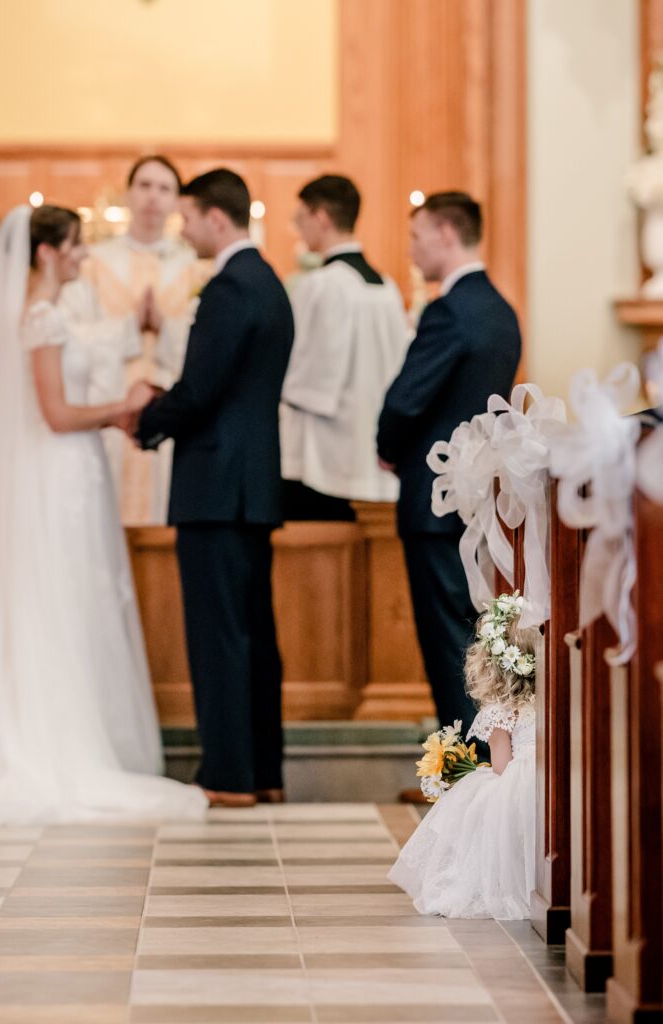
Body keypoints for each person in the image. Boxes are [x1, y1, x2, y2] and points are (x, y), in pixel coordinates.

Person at [0, 204, 207, 824]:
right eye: (77, 245)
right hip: (56, 472)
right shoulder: (41, 315)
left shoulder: (40, 315)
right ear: (48, 253)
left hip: (70, 473)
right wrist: (121, 407)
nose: (84, 254)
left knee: (74, 596)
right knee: (58, 596)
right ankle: (57, 741)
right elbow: (55, 414)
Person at [131, 169, 294, 808]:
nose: (183, 226)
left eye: (190, 216)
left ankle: (227, 776)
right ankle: (263, 771)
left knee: (219, 633)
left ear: (217, 219)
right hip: (251, 486)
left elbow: (200, 389)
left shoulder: (229, 287)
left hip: (214, 486)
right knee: (253, 631)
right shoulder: (271, 283)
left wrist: (144, 420)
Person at [377, 192, 521, 737]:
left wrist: (387, 445)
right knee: (472, 638)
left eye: (415, 236)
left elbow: (405, 400)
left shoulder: (450, 309)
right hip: (482, 499)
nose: (411, 249)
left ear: (444, 233)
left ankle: (461, 770)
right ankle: (476, 763)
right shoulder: (500, 310)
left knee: (448, 645)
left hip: (435, 499)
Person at [60, 154, 209, 524]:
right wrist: (128, 328)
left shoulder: (195, 265)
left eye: (164, 188)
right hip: (110, 402)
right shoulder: (92, 262)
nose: (152, 198)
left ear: (176, 201)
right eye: (144, 186)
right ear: (127, 195)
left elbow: (208, 342)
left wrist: (163, 326)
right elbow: (69, 333)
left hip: (168, 398)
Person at [389, 593, 536, 919]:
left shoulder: (501, 710)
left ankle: (507, 883)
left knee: (485, 813)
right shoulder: (548, 700)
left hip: (517, 783)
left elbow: (501, 767)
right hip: (547, 779)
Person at [281, 174, 409, 521]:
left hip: (326, 459)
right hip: (376, 452)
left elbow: (302, 376)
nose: (299, 229)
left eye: (300, 219)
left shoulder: (321, 285)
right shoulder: (388, 287)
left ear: (321, 217)